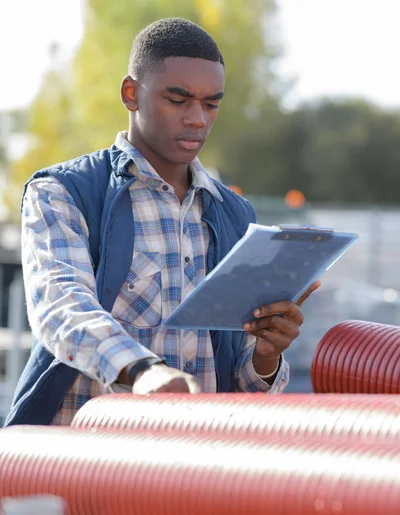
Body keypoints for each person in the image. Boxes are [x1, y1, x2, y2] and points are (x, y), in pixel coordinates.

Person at [6, 17, 318, 428]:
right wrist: (141, 370)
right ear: (131, 93)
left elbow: (240, 388)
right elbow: (61, 306)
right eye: (178, 99)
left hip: (195, 470)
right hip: (81, 465)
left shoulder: (236, 215)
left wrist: (264, 357)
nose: (197, 119)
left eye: (210, 104)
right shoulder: (63, 192)